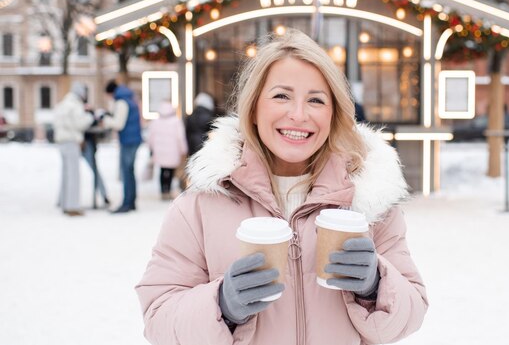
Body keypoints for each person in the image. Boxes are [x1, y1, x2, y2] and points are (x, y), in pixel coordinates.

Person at [135, 29, 428, 345]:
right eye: (281, 96)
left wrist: (375, 284)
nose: (298, 115)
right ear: (254, 109)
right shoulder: (201, 205)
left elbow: (412, 313)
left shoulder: (370, 200)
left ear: (334, 114)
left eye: (316, 100)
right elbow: (158, 321)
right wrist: (221, 305)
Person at [53, 82, 95, 217]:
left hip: (61, 141)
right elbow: (80, 123)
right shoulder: (75, 105)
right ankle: (73, 206)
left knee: (66, 174)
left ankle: (64, 203)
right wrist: (91, 117)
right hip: (71, 141)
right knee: (73, 175)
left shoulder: (63, 104)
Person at [102, 80, 142, 213]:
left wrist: (105, 120)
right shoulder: (130, 99)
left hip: (128, 141)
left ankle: (127, 203)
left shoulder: (121, 102)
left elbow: (118, 124)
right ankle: (131, 201)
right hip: (133, 139)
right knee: (130, 171)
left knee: (126, 172)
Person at [147, 101, 188, 200]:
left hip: (160, 151)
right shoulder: (176, 121)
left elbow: (150, 137)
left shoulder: (156, 121)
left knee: (162, 171)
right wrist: (183, 149)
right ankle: (168, 190)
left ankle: (163, 191)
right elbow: (180, 137)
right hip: (172, 151)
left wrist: (151, 148)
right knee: (170, 171)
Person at [185, 92, 216, 158]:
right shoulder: (208, 116)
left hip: (191, 143)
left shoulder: (190, 116)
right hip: (203, 143)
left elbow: (187, 132)